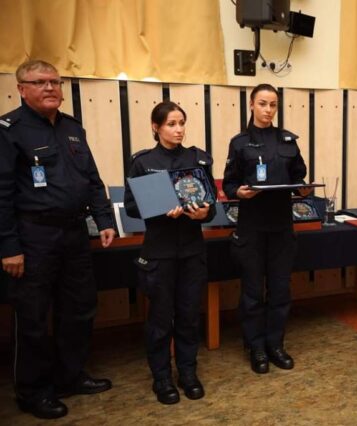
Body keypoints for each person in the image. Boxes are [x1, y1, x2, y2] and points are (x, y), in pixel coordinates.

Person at [0, 59, 116, 419]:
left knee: (79, 308)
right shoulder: (9, 130)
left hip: (74, 233)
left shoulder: (72, 128)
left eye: (55, 81)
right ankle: (32, 392)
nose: (50, 87)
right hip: (33, 236)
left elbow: (92, 179)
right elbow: (1, 193)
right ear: (22, 89)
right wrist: (9, 246)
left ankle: (70, 376)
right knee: (33, 316)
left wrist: (104, 219)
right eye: (40, 82)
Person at [124, 101, 215, 404]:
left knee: (189, 316)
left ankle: (188, 373)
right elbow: (132, 206)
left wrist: (204, 213)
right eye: (171, 124)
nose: (178, 130)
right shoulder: (143, 162)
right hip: (159, 252)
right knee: (161, 320)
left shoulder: (197, 159)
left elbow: (211, 203)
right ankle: (162, 377)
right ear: (156, 127)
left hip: (191, 250)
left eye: (181, 123)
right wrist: (161, 207)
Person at [222, 84, 311, 374]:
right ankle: (256, 347)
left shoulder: (288, 140)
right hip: (252, 227)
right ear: (251, 104)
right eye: (262, 103)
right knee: (252, 293)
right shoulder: (239, 143)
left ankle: (275, 345)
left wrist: (303, 190)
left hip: (281, 227)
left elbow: (299, 176)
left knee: (280, 290)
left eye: (273, 105)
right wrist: (239, 192)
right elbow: (230, 184)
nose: (268, 110)